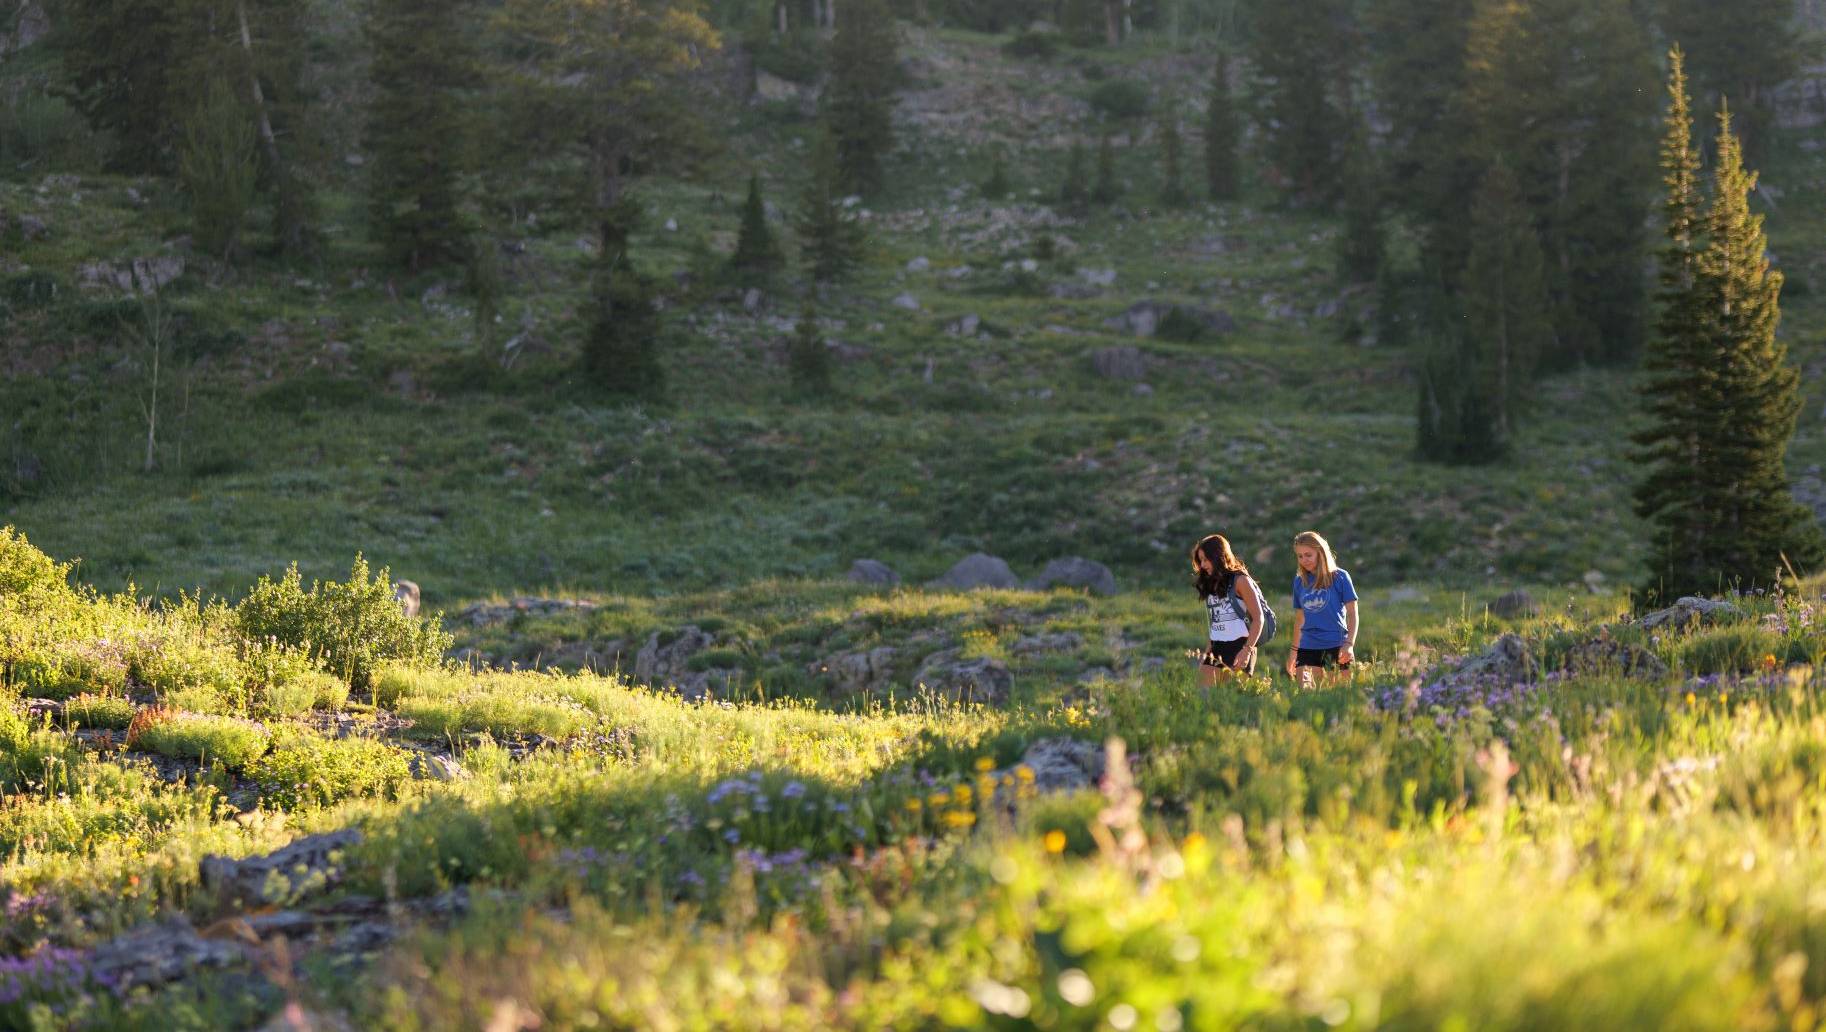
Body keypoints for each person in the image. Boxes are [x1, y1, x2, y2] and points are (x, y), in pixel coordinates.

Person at [1285, 531, 1359, 688]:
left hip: (1336, 646)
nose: (1304, 560)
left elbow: (1353, 614)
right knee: (1307, 700)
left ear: (1320, 553)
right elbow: (1300, 620)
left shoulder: (1340, 577)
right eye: (1300, 556)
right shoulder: (1299, 582)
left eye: (1308, 555)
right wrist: (1293, 652)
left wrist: (1349, 644)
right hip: (1307, 647)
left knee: (1340, 697)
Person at [1191, 533, 1266, 683]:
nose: (1203, 565)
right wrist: (1207, 653)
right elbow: (1216, 623)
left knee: (1229, 699)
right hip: (1216, 647)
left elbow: (1259, 618)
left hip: (1240, 646)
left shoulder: (1241, 580)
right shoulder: (1211, 583)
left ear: (1219, 556)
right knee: (1203, 697)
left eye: (1206, 559)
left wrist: (1247, 650)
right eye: (1201, 561)